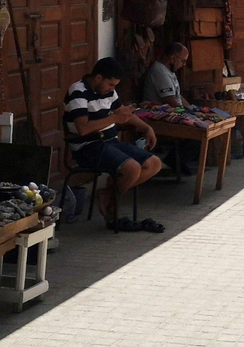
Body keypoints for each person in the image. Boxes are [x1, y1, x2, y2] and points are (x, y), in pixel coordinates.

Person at [65, 56, 163, 225]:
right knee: (132, 169)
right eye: (110, 84)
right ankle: (112, 201)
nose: (112, 89)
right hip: (88, 146)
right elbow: (83, 128)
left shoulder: (108, 91)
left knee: (154, 163)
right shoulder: (78, 91)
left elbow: (123, 113)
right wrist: (114, 119)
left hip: (111, 142)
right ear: (98, 78)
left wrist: (146, 128)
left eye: (114, 86)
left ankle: (108, 193)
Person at [141, 41, 196, 177]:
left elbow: (178, 96)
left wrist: (193, 109)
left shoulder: (170, 72)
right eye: (182, 60)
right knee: (195, 131)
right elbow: (170, 101)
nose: (183, 65)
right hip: (160, 114)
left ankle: (176, 162)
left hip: (173, 111)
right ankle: (172, 161)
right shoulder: (159, 71)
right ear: (172, 58)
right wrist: (188, 114)